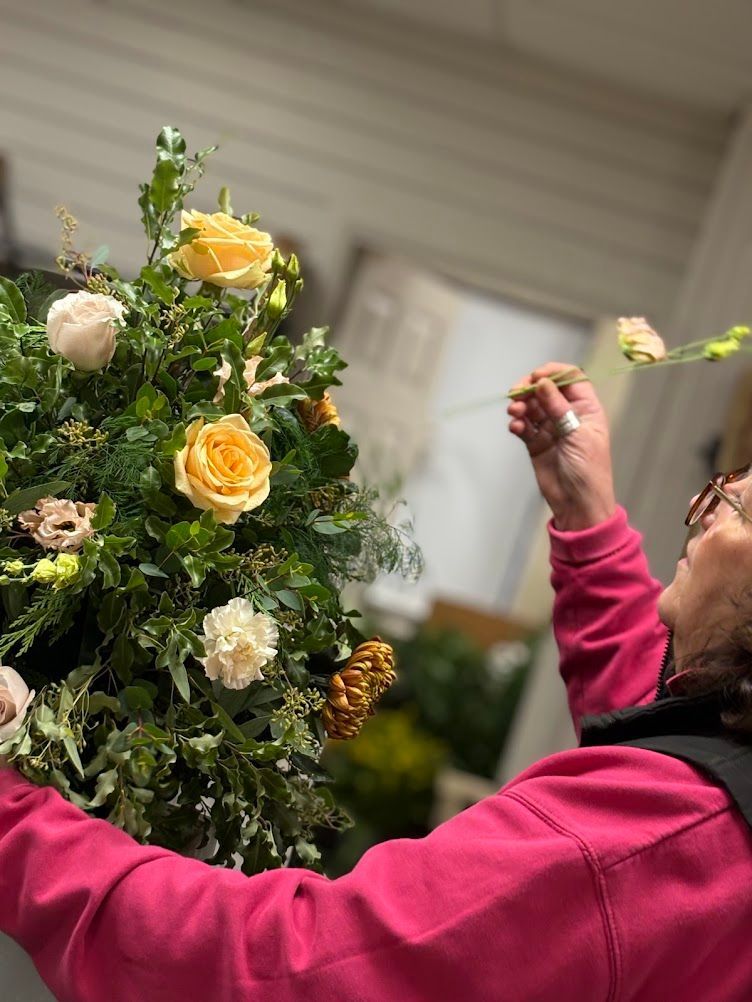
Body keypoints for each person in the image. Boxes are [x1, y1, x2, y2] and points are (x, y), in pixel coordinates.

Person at [2, 362, 752, 1001]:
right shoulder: (720, 783)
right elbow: (667, 722)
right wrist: (589, 527)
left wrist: (13, 823)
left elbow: (281, 970)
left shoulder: (641, 850)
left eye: (738, 507)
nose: (704, 517)